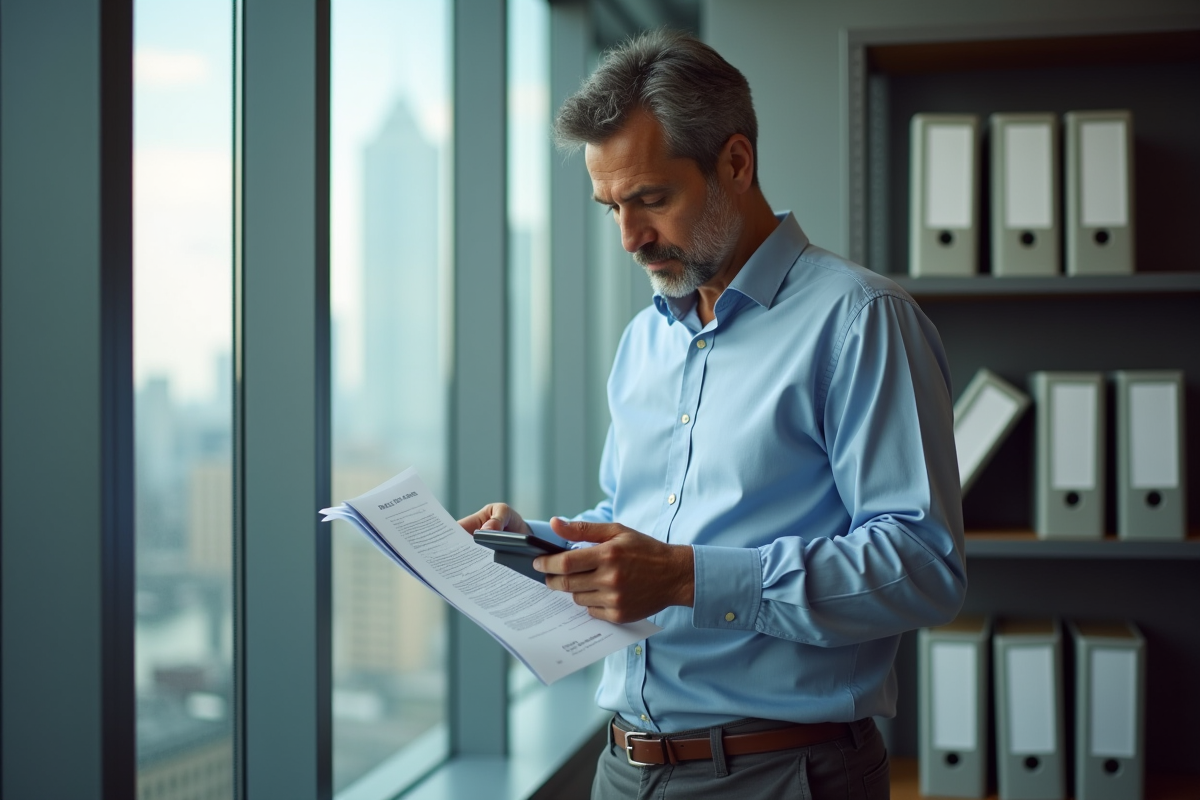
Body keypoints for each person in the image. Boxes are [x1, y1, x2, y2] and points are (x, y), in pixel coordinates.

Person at [458, 29, 966, 799]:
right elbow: (636, 517)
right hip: (623, 770)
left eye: (652, 200)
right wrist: (540, 543)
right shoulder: (643, 340)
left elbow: (923, 566)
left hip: (783, 774)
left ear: (735, 162)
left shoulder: (860, 320)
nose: (631, 239)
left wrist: (690, 578)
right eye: (611, 208)